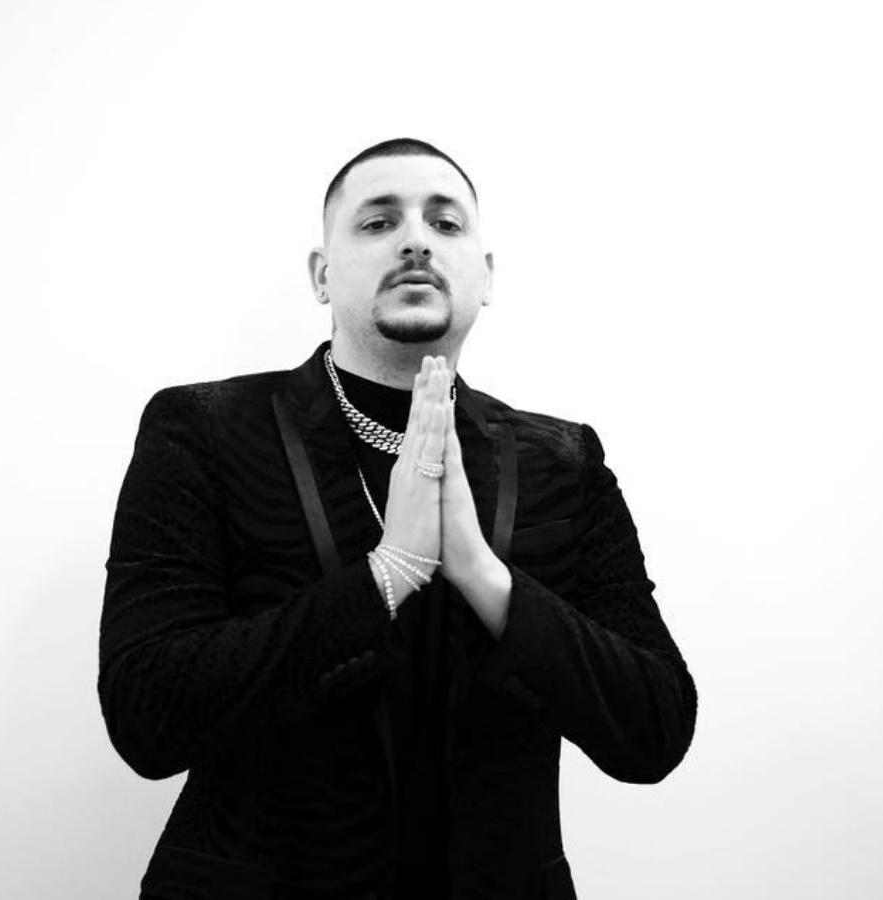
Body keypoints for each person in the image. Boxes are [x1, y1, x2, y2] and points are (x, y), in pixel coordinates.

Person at [99, 138, 698, 900]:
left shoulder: (564, 460)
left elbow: (655, 728)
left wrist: (484, 578)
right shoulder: (204, 430)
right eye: (378, 222)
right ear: (322, 275)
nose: (416, 239)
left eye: (446, 224)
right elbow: (147, 715)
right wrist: (387, 576)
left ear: (486, 276)